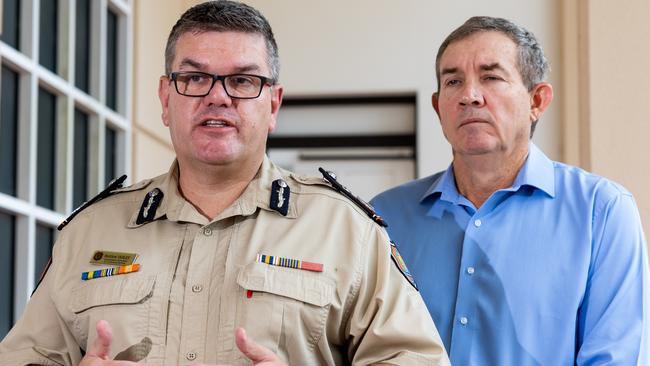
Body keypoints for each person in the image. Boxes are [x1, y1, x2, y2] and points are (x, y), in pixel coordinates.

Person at [0, 1, 450, 365]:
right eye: (194, 78)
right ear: (164, 98)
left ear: (273, 105)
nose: (218, 95)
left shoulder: (347, 231)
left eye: (242, 80)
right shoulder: (88, 232)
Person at [371, 16, 650, 366]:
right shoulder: (383, 217)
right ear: (438, 107)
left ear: (537, 101)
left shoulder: (602, 212)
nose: (469, 96)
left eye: (491, 77)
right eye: (453, 81)